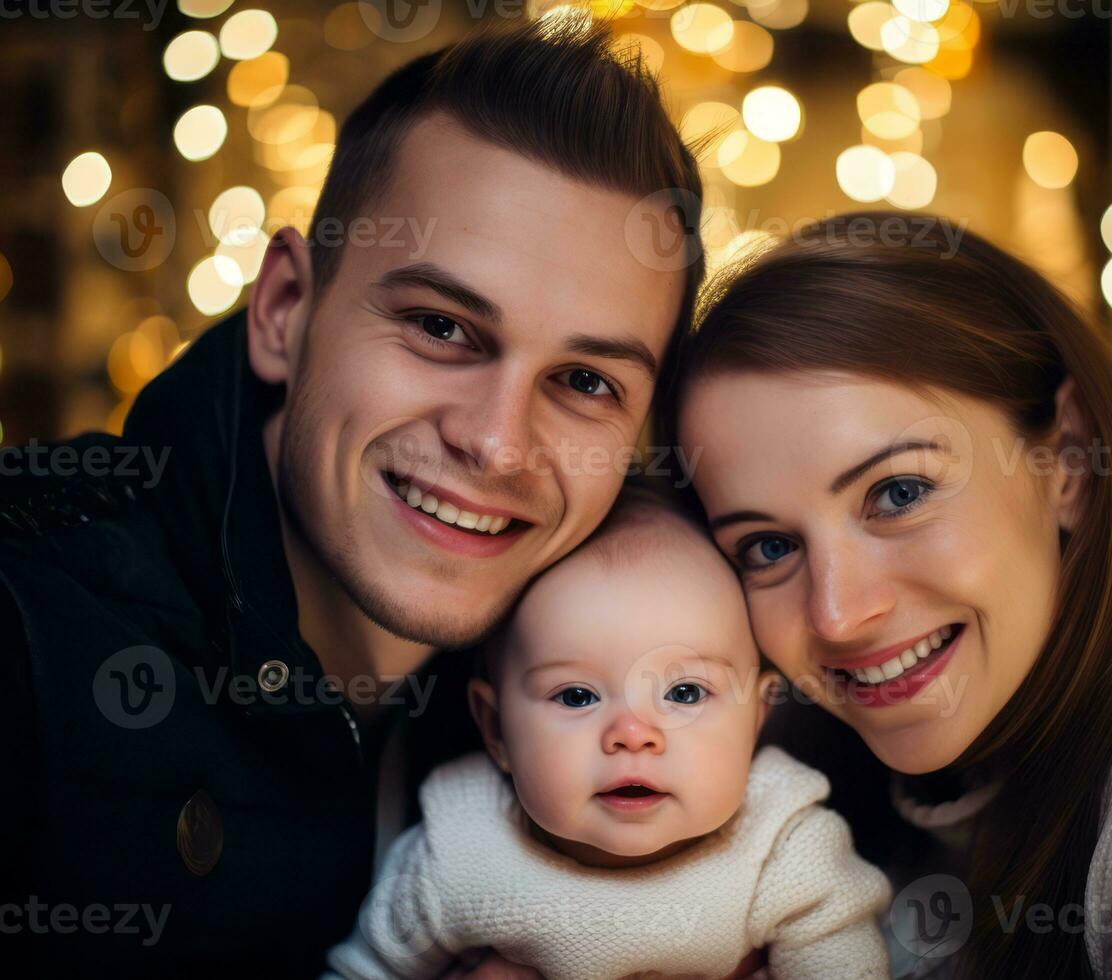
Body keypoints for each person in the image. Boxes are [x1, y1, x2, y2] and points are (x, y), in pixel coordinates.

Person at [0, 21, 707, 978]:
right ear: (286, 308)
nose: (496, 443)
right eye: (441, 326)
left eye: (586, 383)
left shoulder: (644, 702)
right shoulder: (26, 629)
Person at [667, 211, 1112, 979]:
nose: (836, 613)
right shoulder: (774, 781)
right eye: (767, 547)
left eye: (897, 493)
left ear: (1067, 458)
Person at [325, 485, 892, 980]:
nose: (632, 735)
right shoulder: (458, 849)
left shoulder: (783, 845)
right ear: (495, 729)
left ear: (757, 717)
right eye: (577, 696)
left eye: (685, 693)